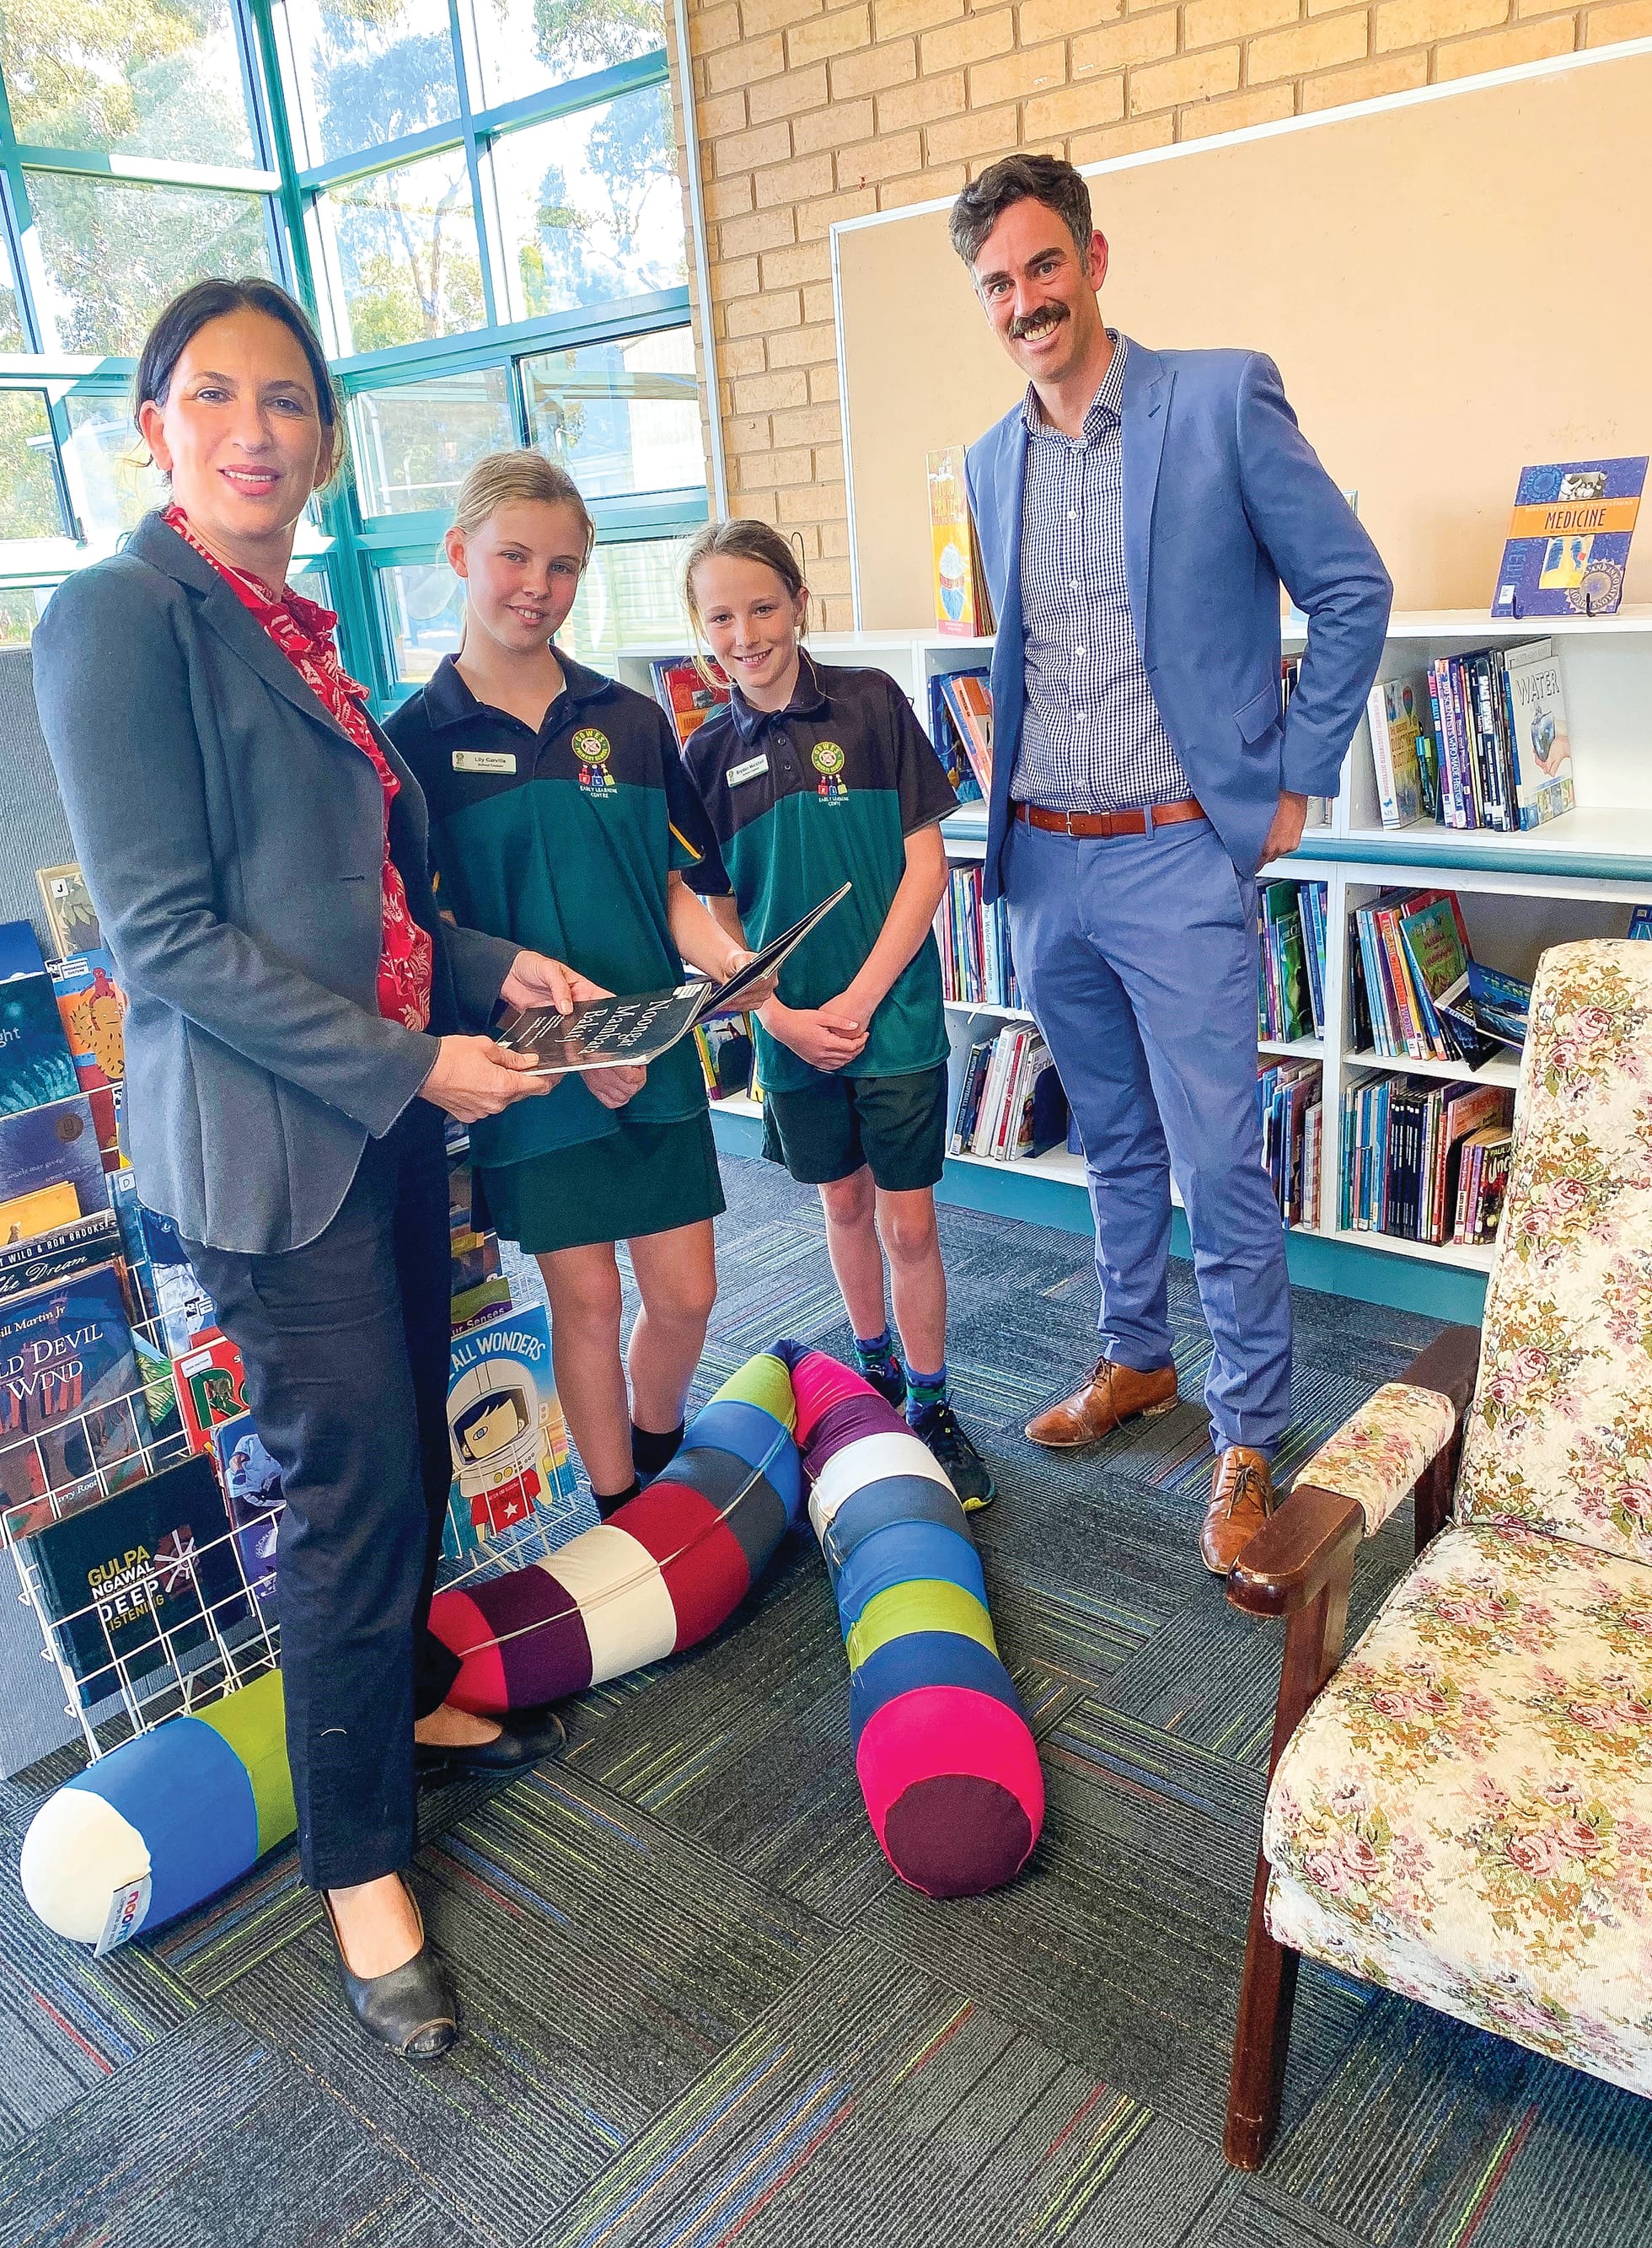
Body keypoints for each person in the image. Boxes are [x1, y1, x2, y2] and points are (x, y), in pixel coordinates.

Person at [31, 278, 609, 2063]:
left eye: (287, 400)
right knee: (350, 1491)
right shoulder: (121, 616)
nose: (255, 429)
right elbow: (168, 938)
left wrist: (484, 966)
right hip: (273, 1150)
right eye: (215, 396)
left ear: (325, 444)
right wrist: (415, 1056)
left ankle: (403, 1693)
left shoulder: (294, 629)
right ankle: (359, 1870)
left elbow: (363, 909)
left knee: (405, 1439)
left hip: (380, 1124)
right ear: (155, 428)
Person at [950, 154, 1392, 1572]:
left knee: (1216, 1156)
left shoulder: (1219, 398)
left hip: (1177, 855)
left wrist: (1297, 776)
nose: (1025, 300)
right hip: (1046, 865)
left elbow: (1351, 586)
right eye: (997, 283)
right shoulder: (989, 460)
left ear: (1093, 259)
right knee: (1113, 1136)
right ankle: (1136, 1354)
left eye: (1043, 266)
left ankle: (1249, 1429)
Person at [388, 452, 766, 1516]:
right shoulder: (411, 745)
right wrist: (572, 1046)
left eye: (562, 567)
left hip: (654, 1056)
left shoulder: (630, 719)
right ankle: (621, 1512)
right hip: (535, 1078)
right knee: (588, 1299)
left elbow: (673, 885)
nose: (537, 586)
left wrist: (726, 963)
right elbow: (432, 939)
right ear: (458, 553)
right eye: (513, 557)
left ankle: (660, 1448)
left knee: (687, 1296)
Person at [678, 519, 995, 1510]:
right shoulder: (702, 753)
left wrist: (856, 1000)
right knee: (843, 1206)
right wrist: (775, 1016)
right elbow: (717, 917)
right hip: (788, 1034)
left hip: (889, 1022)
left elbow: (923, 868)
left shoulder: (869, 704)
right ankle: (873, 1373)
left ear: (799, 605)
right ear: (700, 629)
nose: (744, 634)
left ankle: (932, 1403)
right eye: (720, 617)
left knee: (909, 1223)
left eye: (762, 608)